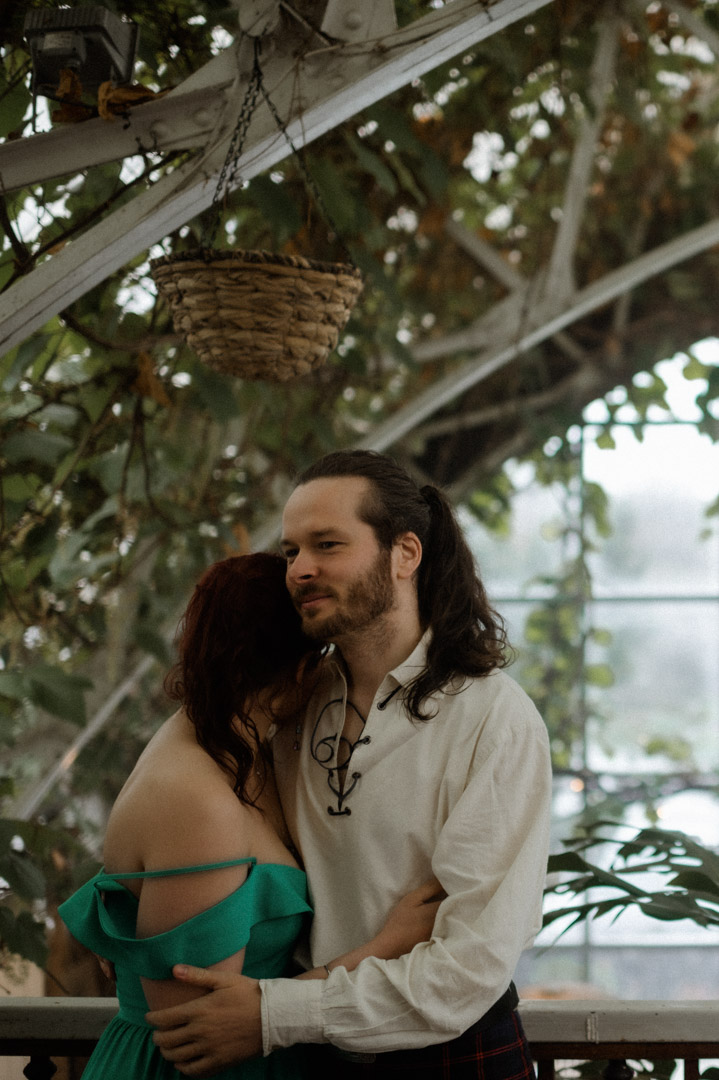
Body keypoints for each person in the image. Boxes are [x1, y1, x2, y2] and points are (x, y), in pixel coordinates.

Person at [147, 451, 553, 1079]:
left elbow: (467, 968)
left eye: (327, 544)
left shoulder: (493, 718)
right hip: (303, 1052)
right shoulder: (289, 705)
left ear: (405, 554)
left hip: (448, 1056)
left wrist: (276, 1013)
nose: (300, 570)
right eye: (290, 552)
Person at [59, 552, 442, 1080]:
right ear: (303, 671)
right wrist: (385, 947)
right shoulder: (195, 796)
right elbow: (193, 1027)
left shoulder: (240, 751)